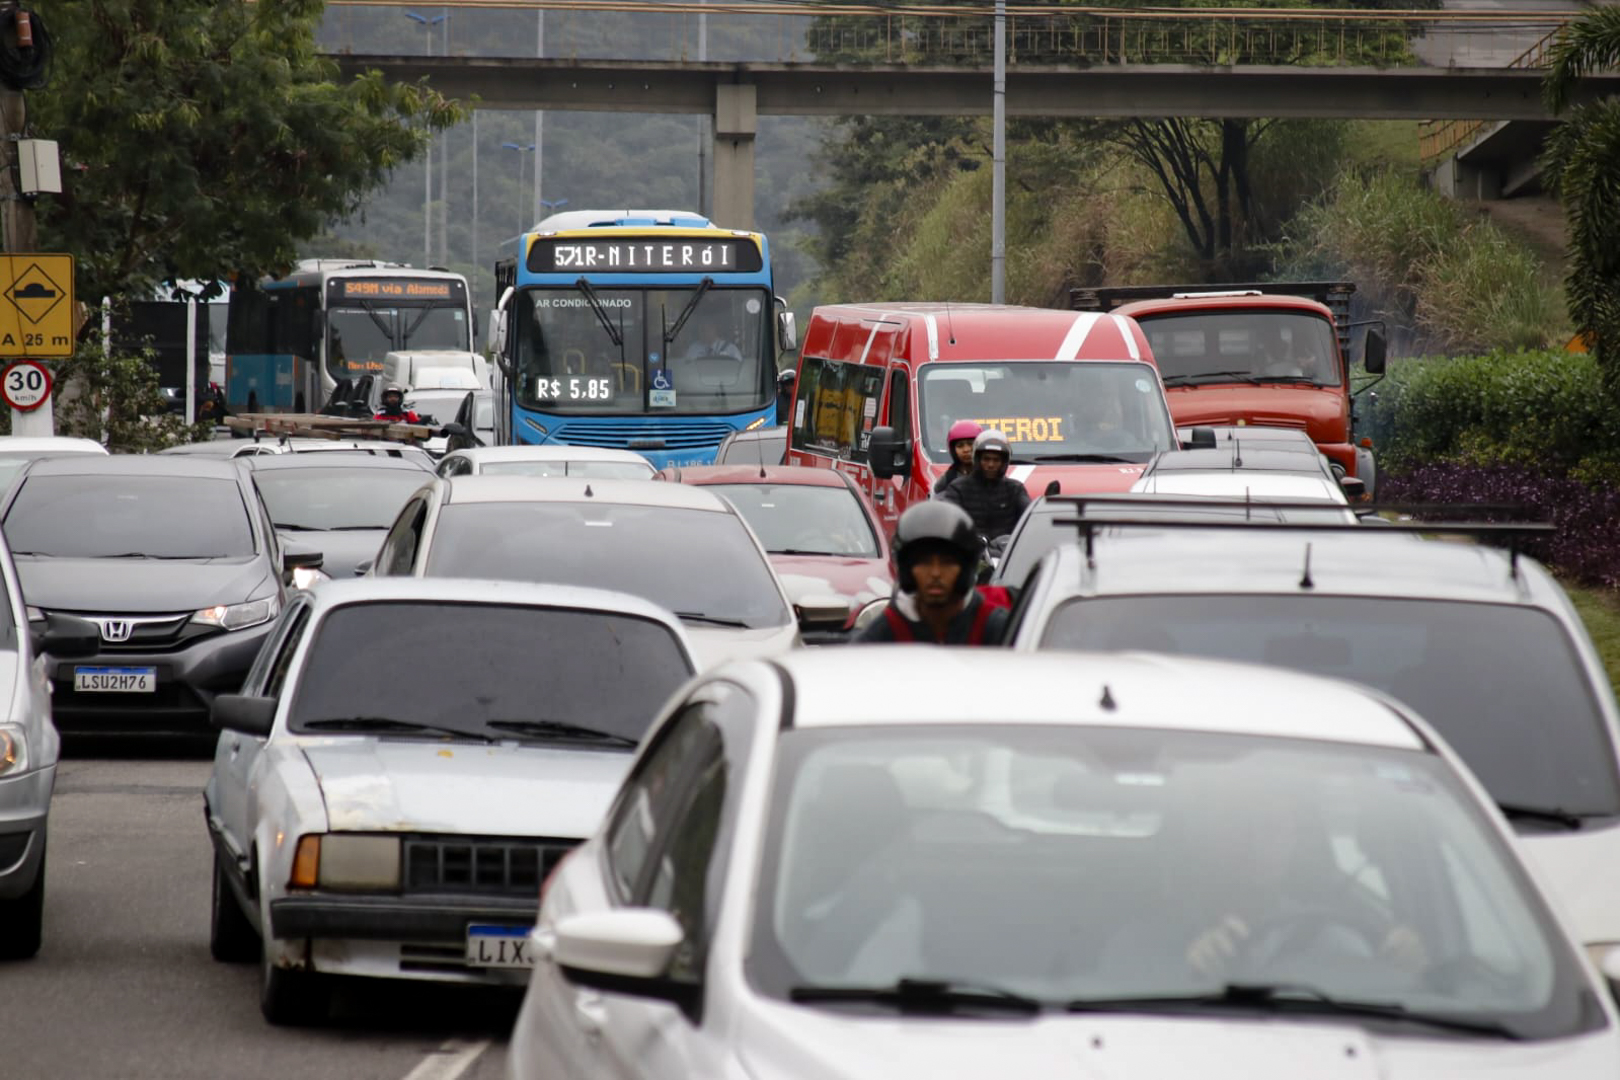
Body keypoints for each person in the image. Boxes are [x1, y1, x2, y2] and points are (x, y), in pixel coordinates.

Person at [855, 501, 1009, 645]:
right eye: (924, 562)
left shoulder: (992, 626)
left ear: (965, 569)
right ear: (907, 569)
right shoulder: (890, 629)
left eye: (947, 563)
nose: (935, 573)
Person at [936, 428, 1030, 542]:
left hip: (1007, 550)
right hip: (970, 550)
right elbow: (948, 522)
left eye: (996, 460)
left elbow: (1030, 519)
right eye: (986, 459)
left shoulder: (1015, 489)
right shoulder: (957, 488)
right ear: (977, 459)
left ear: (1004, 462)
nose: (991, 464)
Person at [932, 419, 982, 495]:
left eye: (970, 444)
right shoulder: (948, 479)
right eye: (960, 446)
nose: (966, 450)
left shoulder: (989, 474)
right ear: (953, 450)